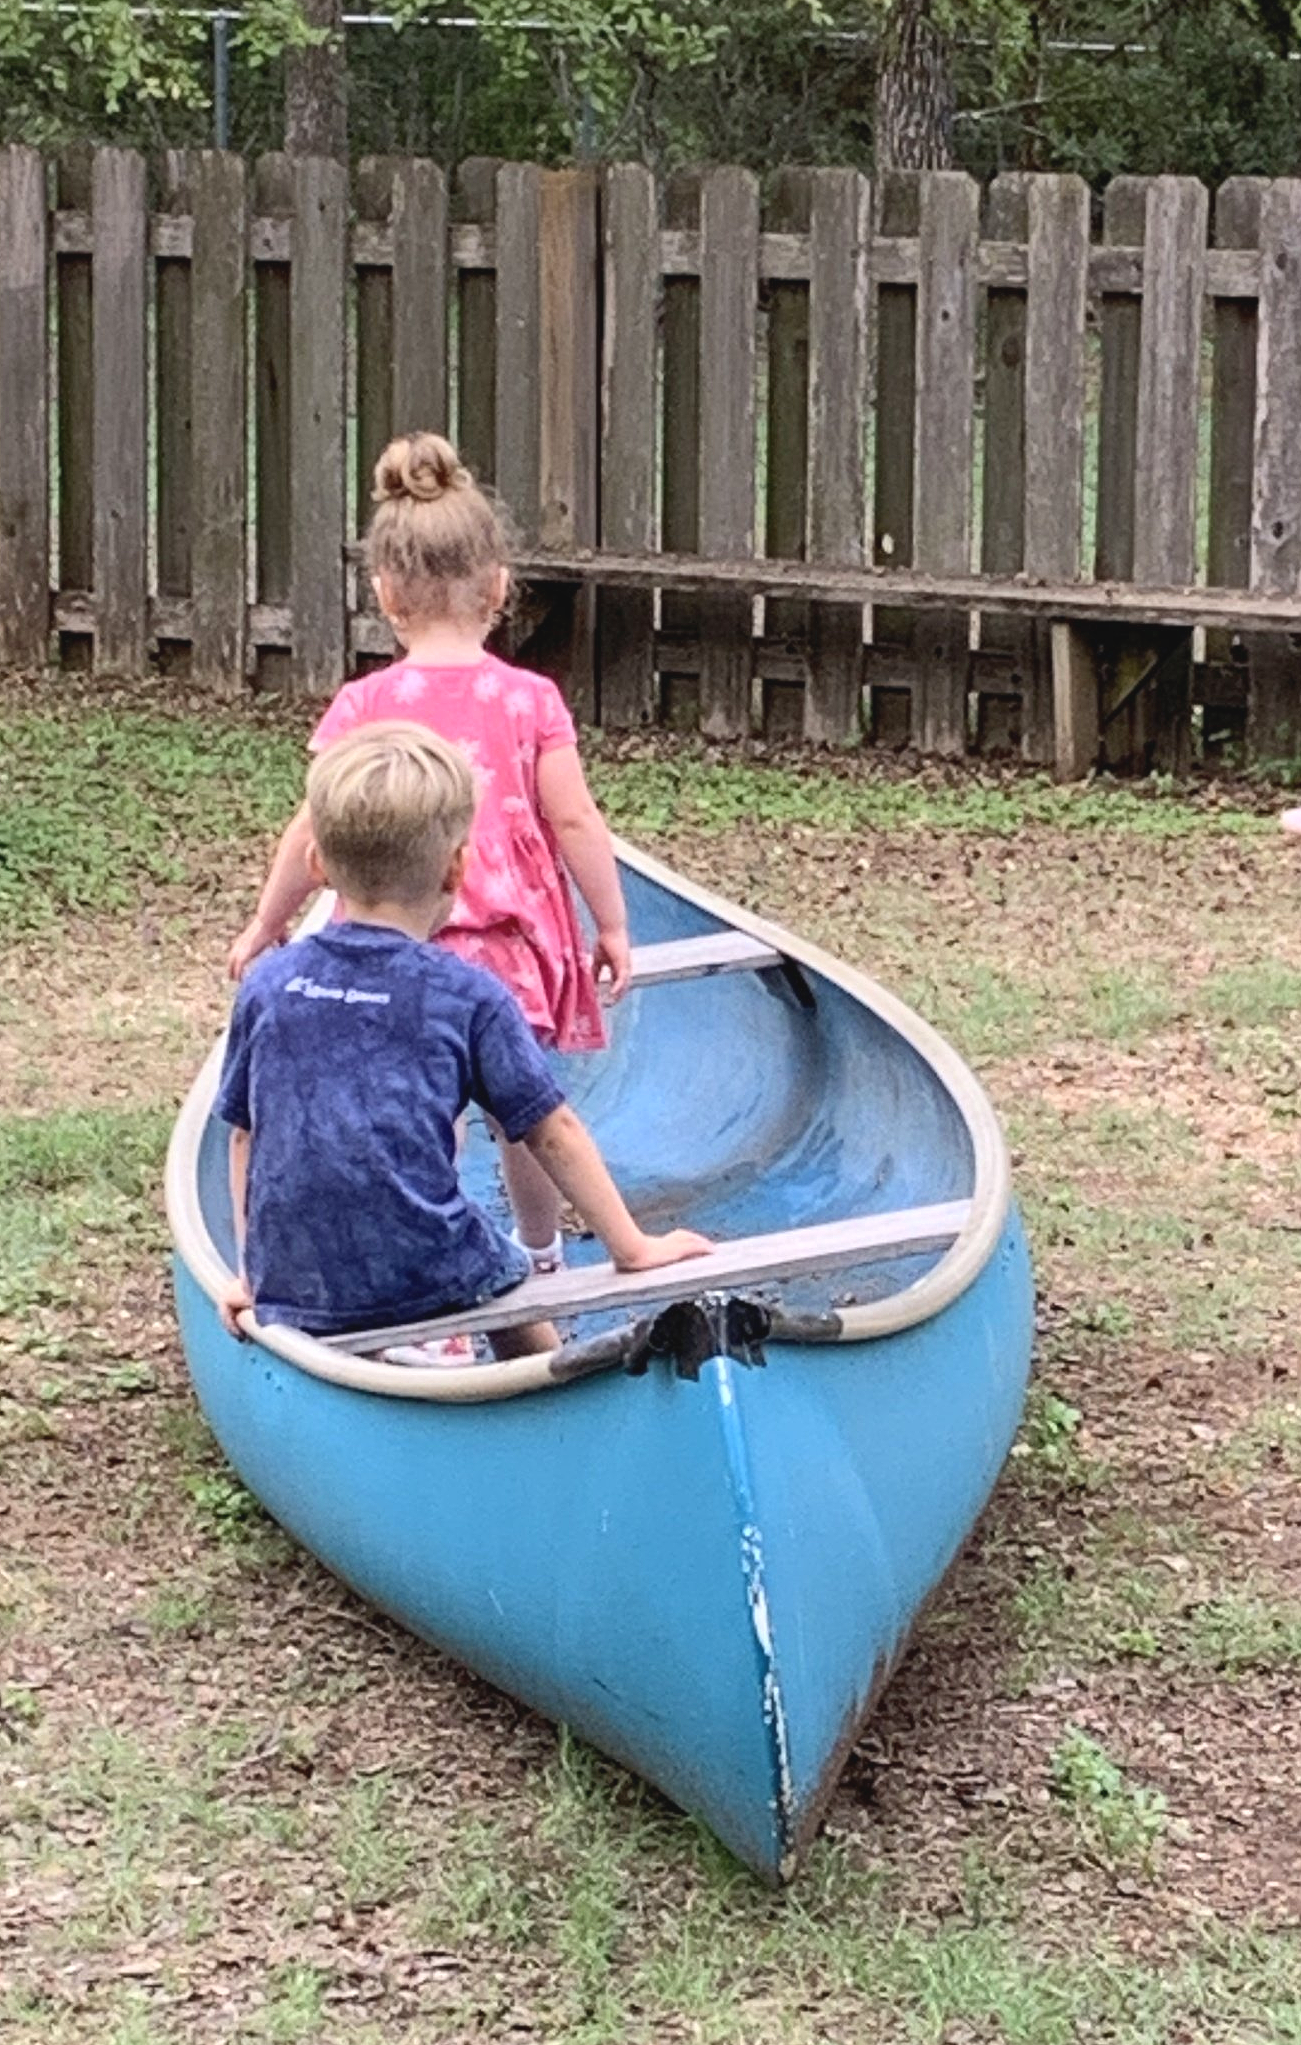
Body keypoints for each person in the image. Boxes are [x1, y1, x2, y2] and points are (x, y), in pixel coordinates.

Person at [228, 431, 627, 1280]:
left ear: (384, 593)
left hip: (390, 938)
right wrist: (613, 926)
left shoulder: (364, 703)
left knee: (418, 1107)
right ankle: (543, 1253)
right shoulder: (531, 699)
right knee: (523, 1106)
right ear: (500, 586)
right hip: (512, 945)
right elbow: (578, 824)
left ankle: (425, 1253)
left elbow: (310, 833)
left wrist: (266, 926)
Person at [217, 722, 710, 1357]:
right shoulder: (468, 994)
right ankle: (540, 1383)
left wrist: (252, 1274)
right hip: (426, 1265)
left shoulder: (270, 983)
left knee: (401, 1260)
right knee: (499, 1269)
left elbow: (243, 1134)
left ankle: (369, 1364)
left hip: (295, 1278)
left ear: (317, 865)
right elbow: (550, 1130)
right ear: (457, 869)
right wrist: (634, 1247)